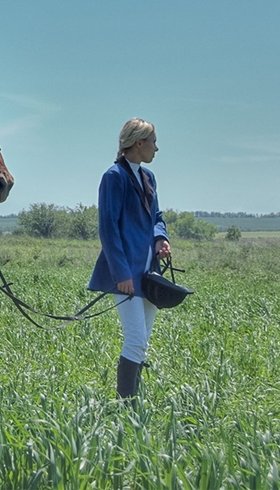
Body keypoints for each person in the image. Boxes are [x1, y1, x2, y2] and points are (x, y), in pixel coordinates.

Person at [89, 118, 172, 402]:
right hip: (127, 275)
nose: (156, 148)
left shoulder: (148, 177)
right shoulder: (114, 177)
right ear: (138, 143)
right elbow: (108, 228)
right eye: (153, 142)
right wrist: (121, 274)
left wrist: (161, 239)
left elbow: (157, 217)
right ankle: (127, 406)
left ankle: (131, 403)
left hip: (149, 273)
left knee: (142, 341)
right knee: (136, 339)